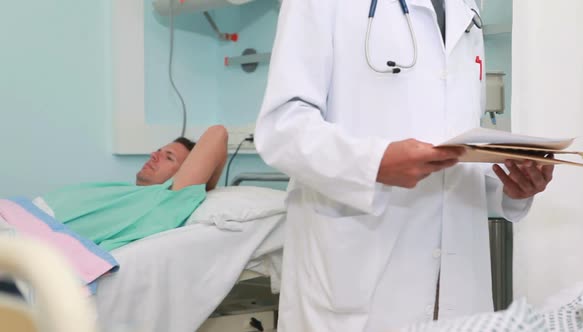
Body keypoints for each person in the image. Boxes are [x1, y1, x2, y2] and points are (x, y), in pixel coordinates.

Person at [254, 1, 553, 331]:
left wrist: (509, 186)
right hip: (360, 272)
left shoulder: (467, 5)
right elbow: (282, 128)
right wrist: (375, 163)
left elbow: (452, 138)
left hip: (457, 276)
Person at [41, 125, 228, 251]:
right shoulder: (127, 193)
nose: (154, 155)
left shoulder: (170, 199)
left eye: (169, 157)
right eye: (159, 151)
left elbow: (218, 133)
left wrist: (203, 185)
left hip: (35, 241)